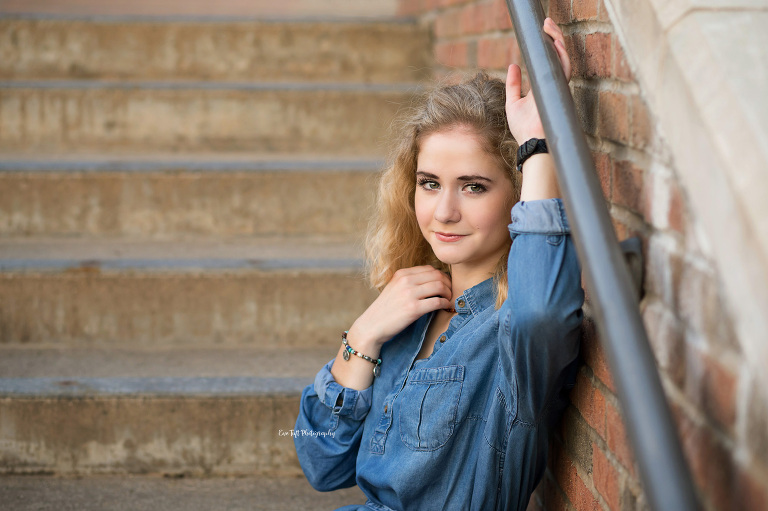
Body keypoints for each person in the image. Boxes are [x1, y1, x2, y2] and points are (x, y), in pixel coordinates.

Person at [293, 18, 584, 511]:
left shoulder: (511, 333)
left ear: (517, 193)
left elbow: (541, 315)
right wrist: (362, 336)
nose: (444, 211)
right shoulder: (410, 307)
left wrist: (537, 145)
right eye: (430, 183)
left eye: (473, 186)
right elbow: (322, 462)